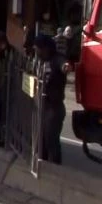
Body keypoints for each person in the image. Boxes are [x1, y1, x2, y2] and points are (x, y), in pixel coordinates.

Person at [34, 34, 67, 165]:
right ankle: (42, 164)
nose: (36, 51)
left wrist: (65, 67)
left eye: (37, 48)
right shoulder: (41, 61)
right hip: (43, 105)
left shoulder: (56, 59)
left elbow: (63, 64)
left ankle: (55, 169)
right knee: (41, 140)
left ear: (45, 48)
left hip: (54, 107)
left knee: (51, 140)